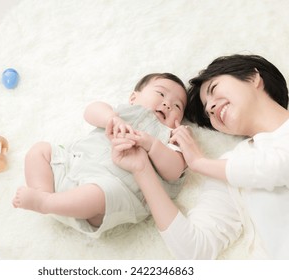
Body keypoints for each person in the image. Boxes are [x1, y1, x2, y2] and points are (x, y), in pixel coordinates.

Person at [112, 54, 289, 259]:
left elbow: (285, 166)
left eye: (214, 90)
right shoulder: (227, 165)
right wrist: (142, 170)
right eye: (207, 113)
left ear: (253, 78)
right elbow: (195, 251)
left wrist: (200, 162)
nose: (211, 108)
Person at [12, 73, 188, 238]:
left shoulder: (170, 137)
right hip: (73, 163)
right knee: (40, 150)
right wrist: (110, 118)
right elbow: (90, 110)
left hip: (107, 192)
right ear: (134, 98)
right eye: (160, 94)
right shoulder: (121, 113)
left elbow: (174, 171)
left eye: (177, 106)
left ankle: (46, 203)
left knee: (99, 194)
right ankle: (42, 192)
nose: (167, 104)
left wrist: (152, 144)